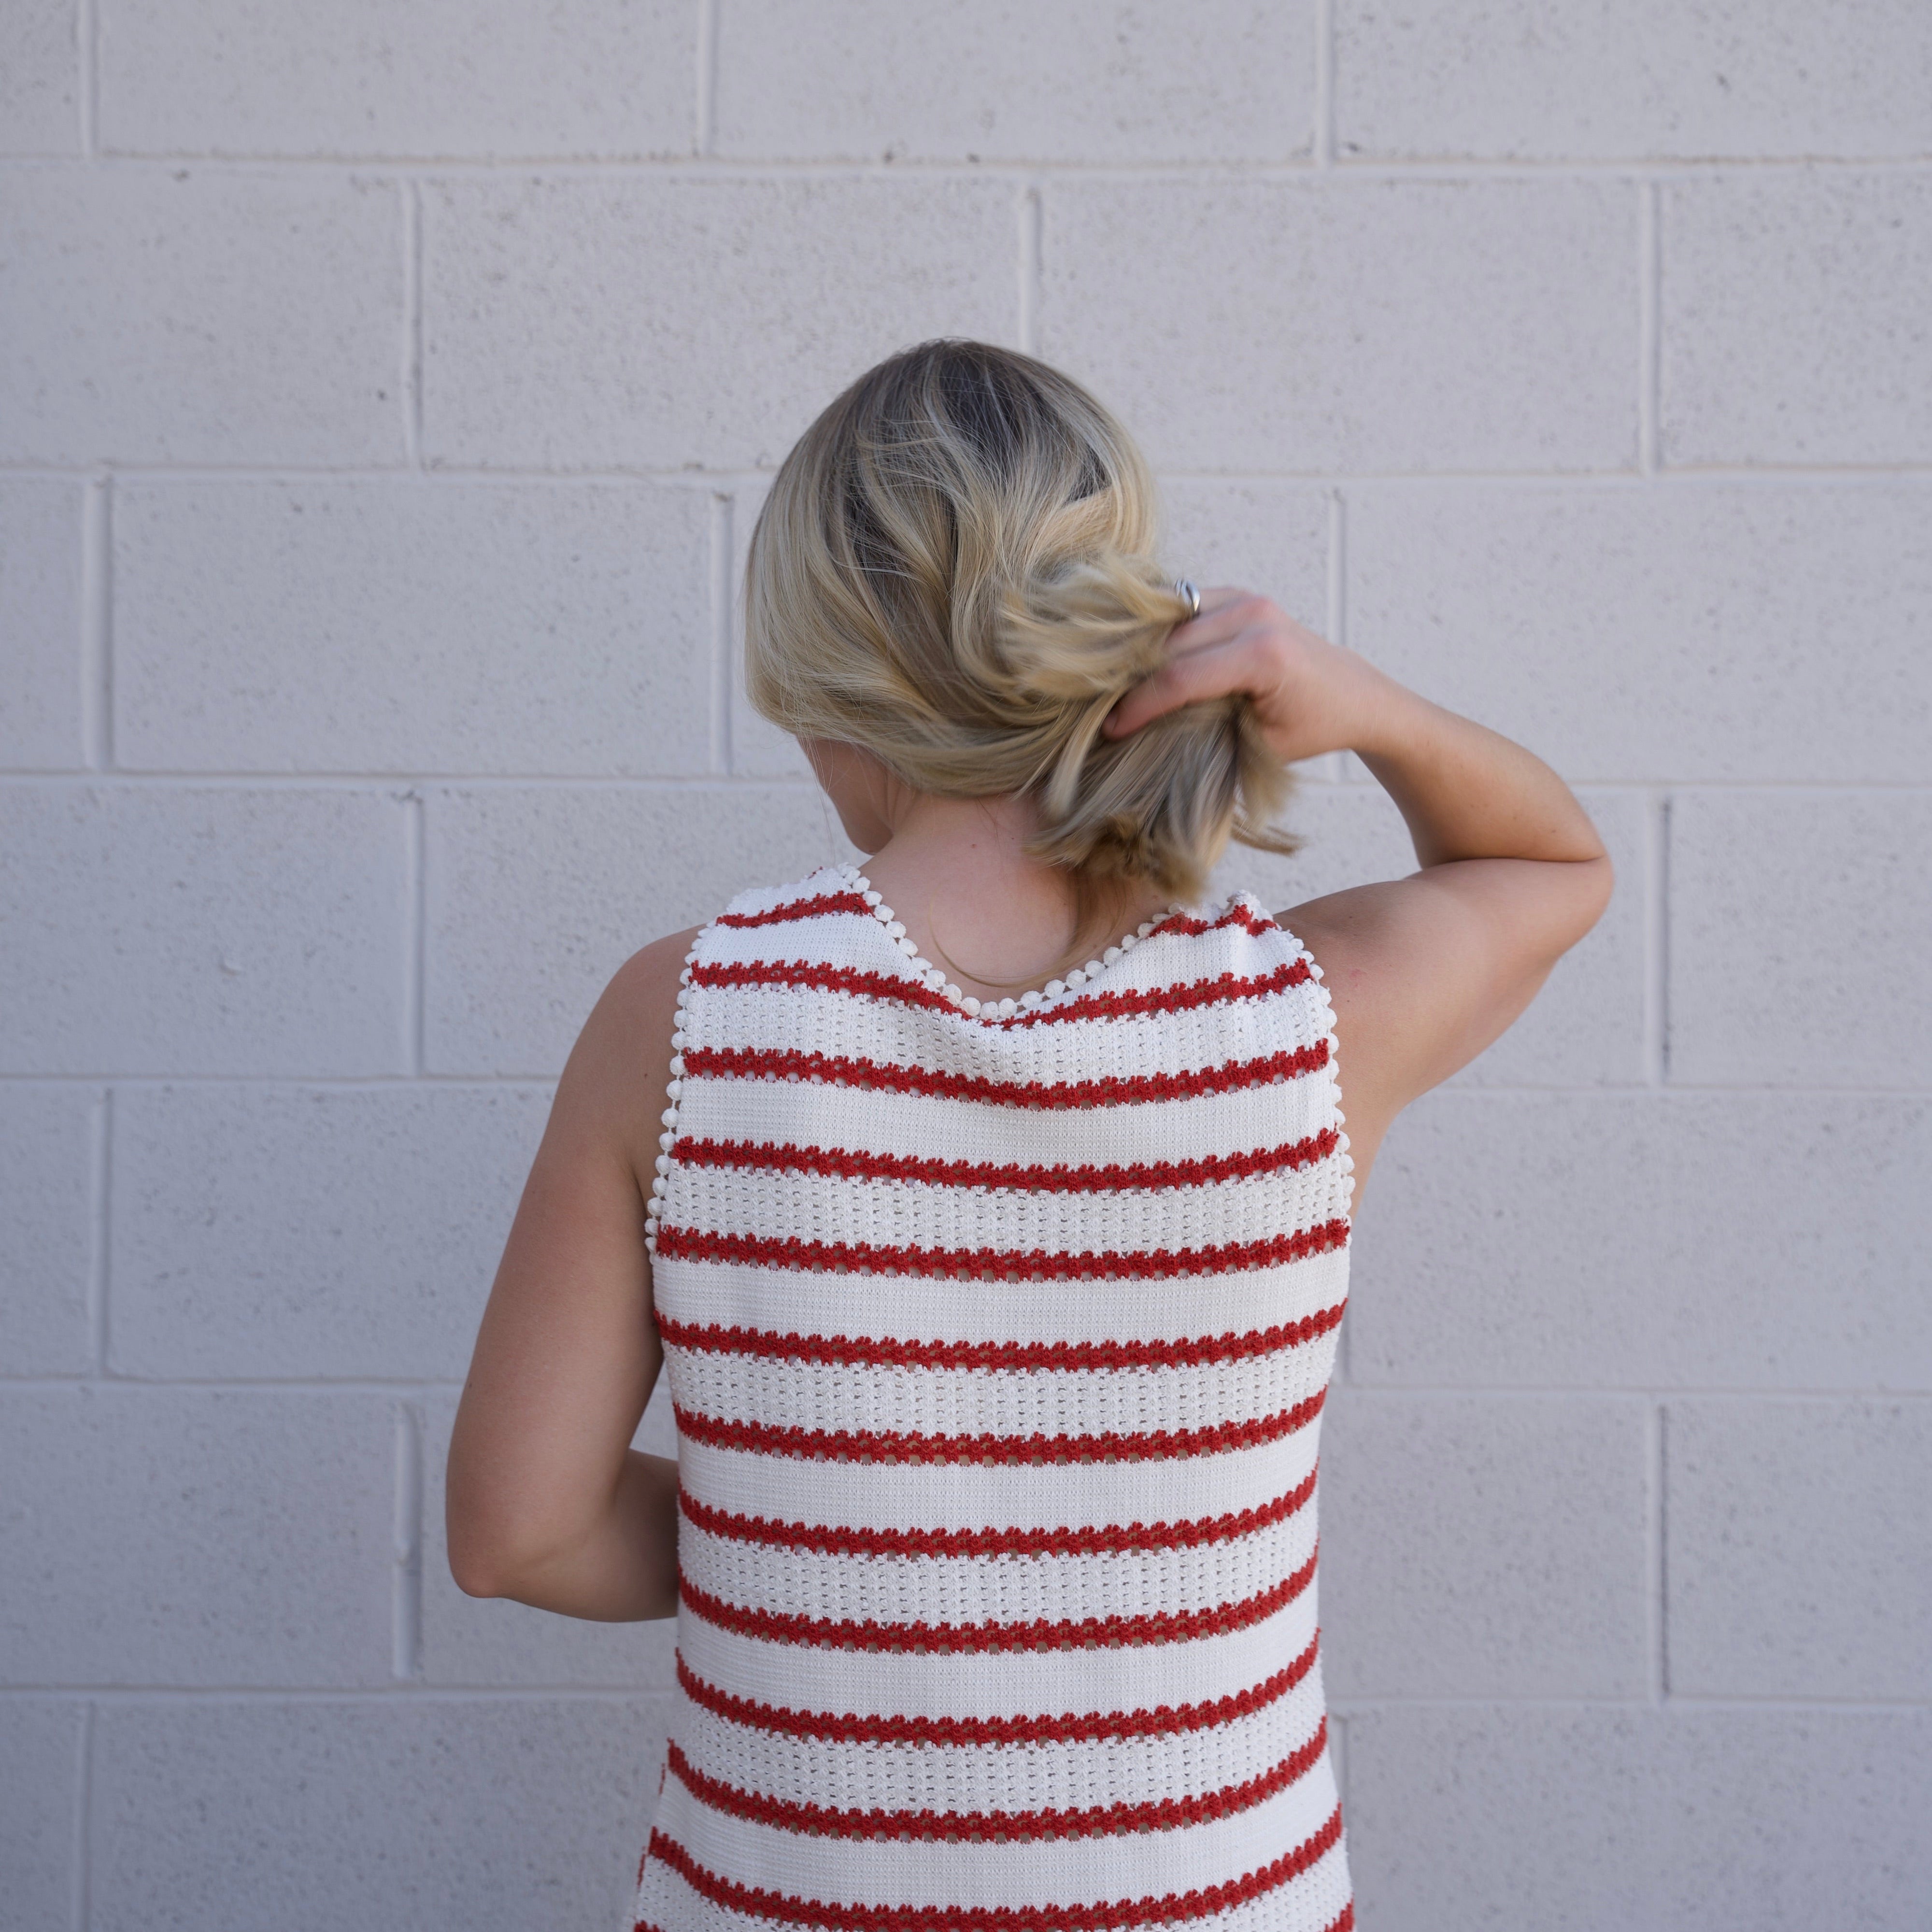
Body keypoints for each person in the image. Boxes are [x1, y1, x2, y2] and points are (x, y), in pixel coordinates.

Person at [446, 339, 1612, 1931]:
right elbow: (1554, 868)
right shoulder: (1306, 1021)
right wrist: (1359, 705)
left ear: (826, 682)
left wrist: (823, 1542)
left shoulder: (689, 1017)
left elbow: (521, 1533)